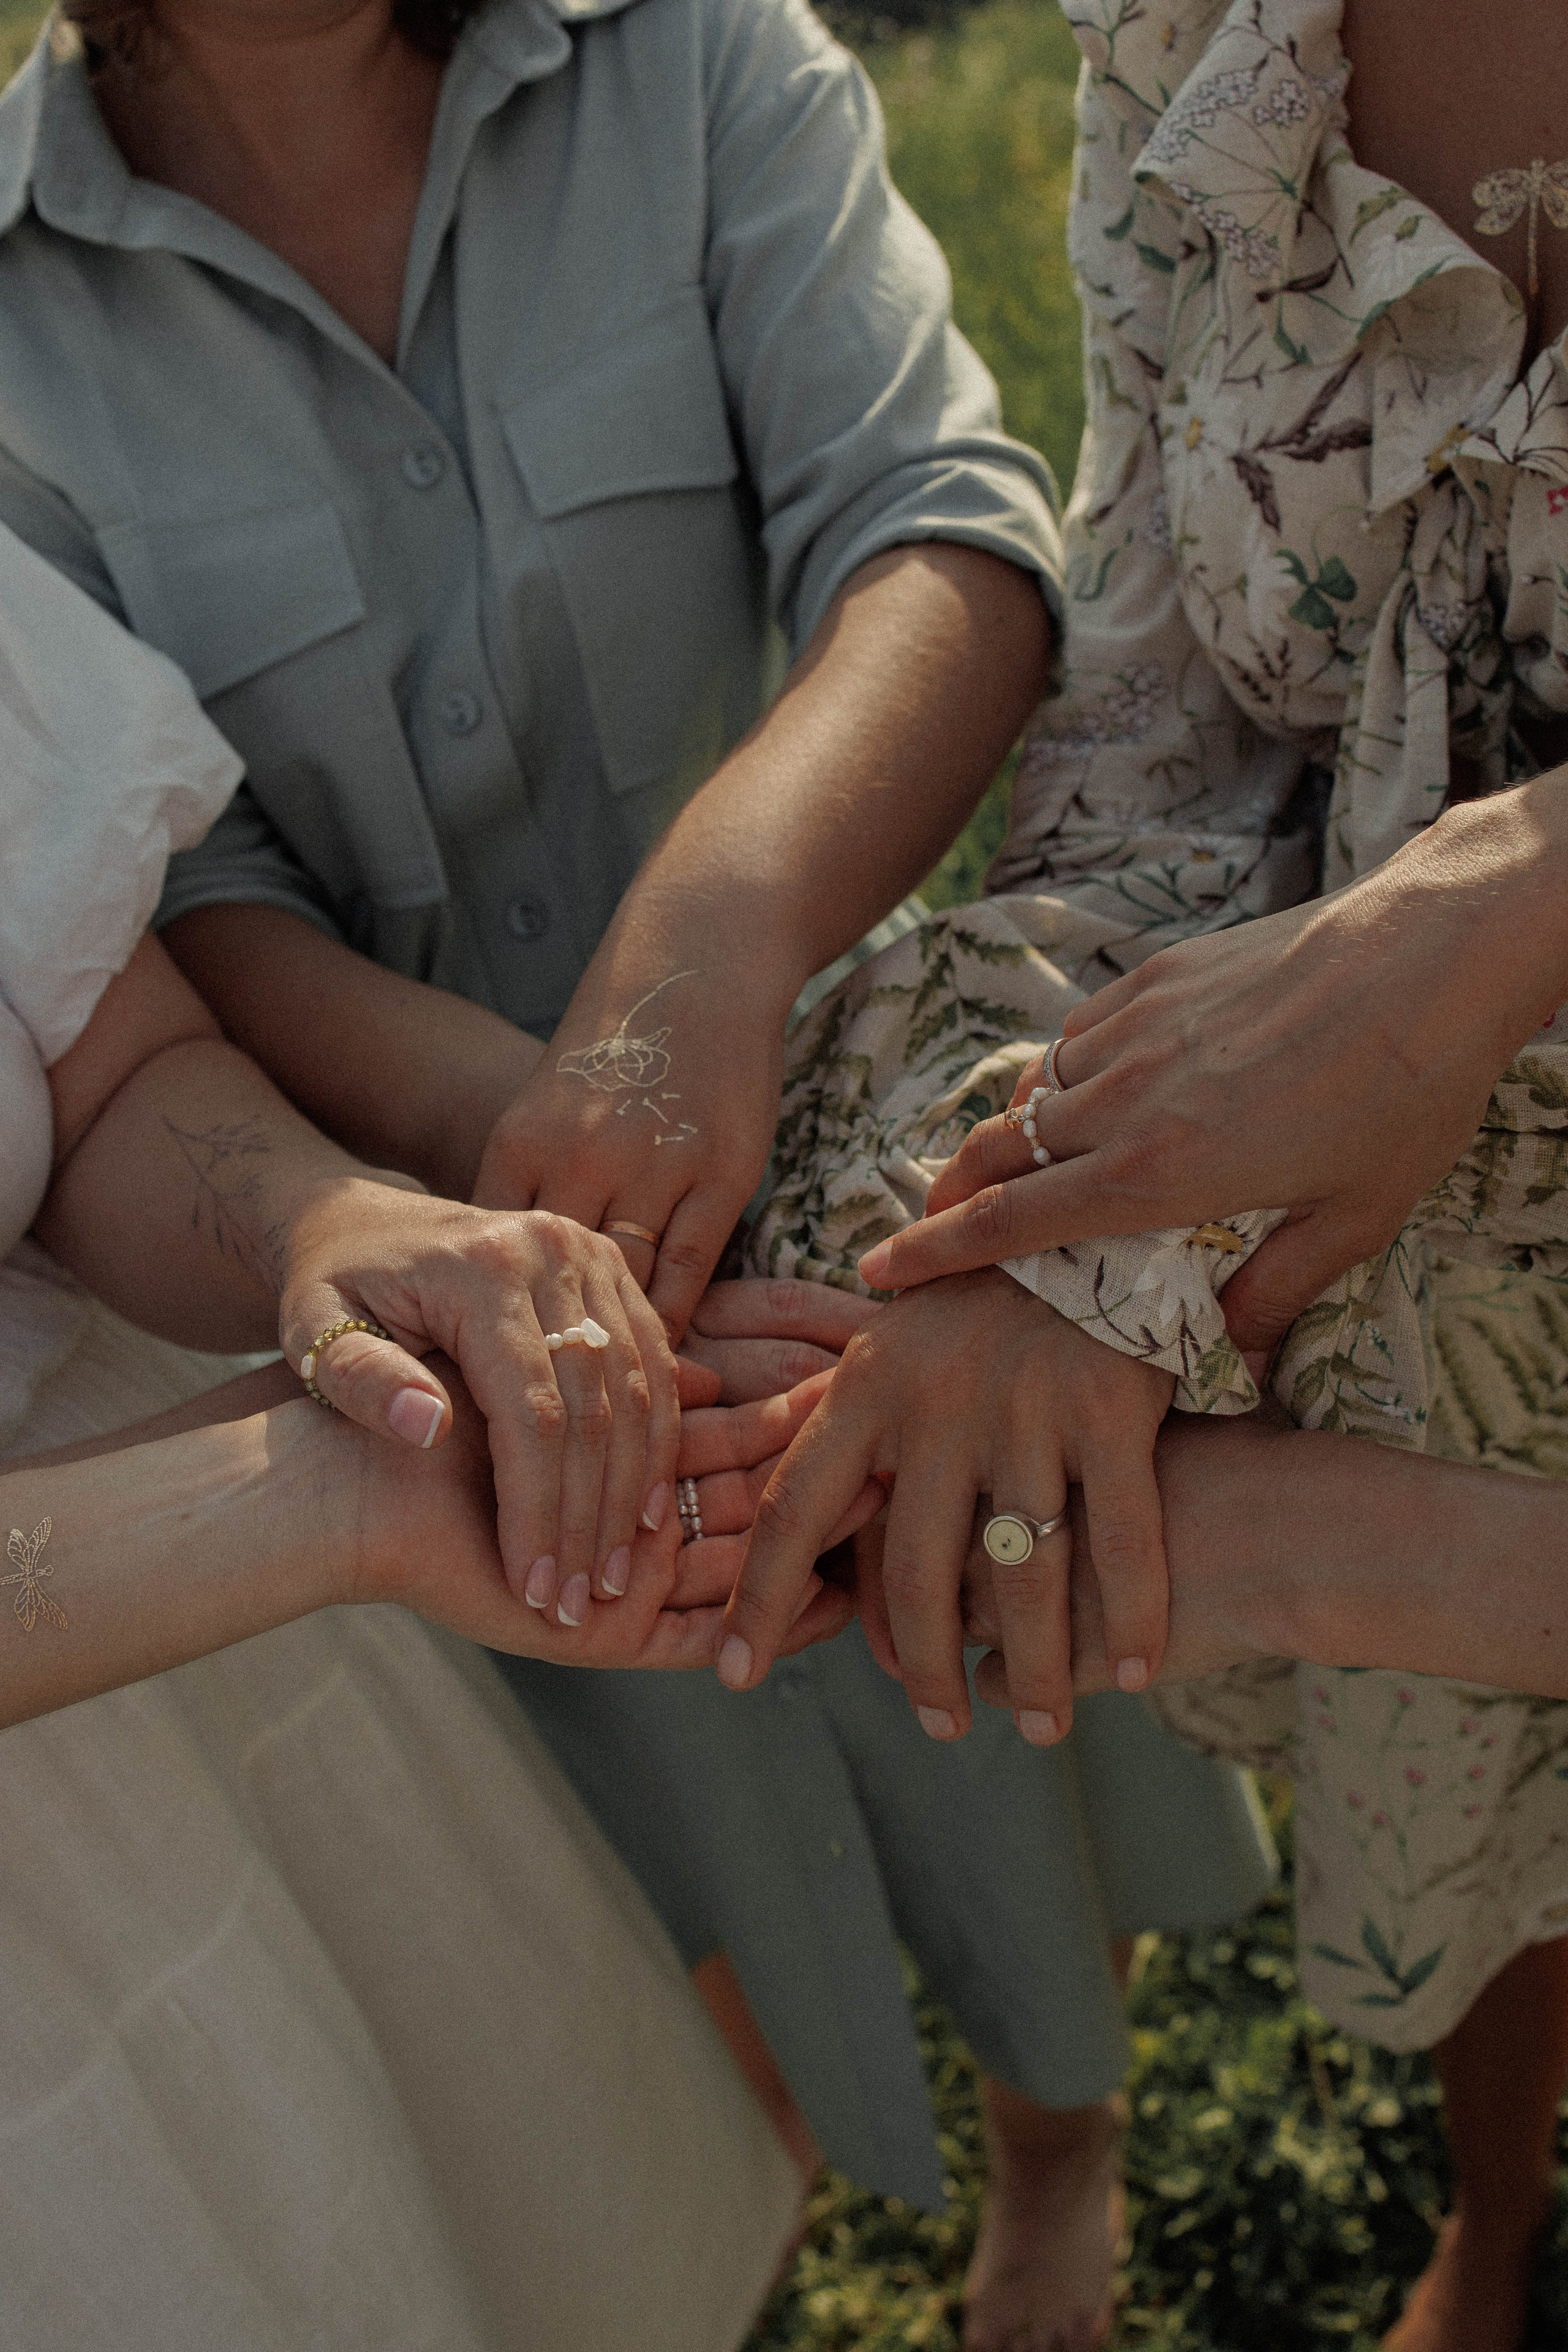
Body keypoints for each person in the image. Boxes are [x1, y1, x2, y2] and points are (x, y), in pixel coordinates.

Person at [0, 0, 1281, 2323]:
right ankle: (771, 2160)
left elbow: (940, 536)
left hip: (855, 1163)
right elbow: (158, 906)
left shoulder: (694, 64)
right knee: (663, 1790)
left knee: (986, 1690)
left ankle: (1054, 2151)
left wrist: (704, 969)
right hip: (457, 1297)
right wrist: (499, 1137)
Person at [718, 1, 1568, 2343]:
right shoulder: (1198, 42)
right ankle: (1500, 2238)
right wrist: (1054, 1205)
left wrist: (1503, 901)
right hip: (1437, 1288)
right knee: (1494, 1814)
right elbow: (1158, 701)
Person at [0, 516, 826, 2351]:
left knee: (507, 2208)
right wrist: (301, 1501)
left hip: (220, 1660)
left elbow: (97, 1045)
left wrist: (324, 1225)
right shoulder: (304, 1506)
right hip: (164, 1640)